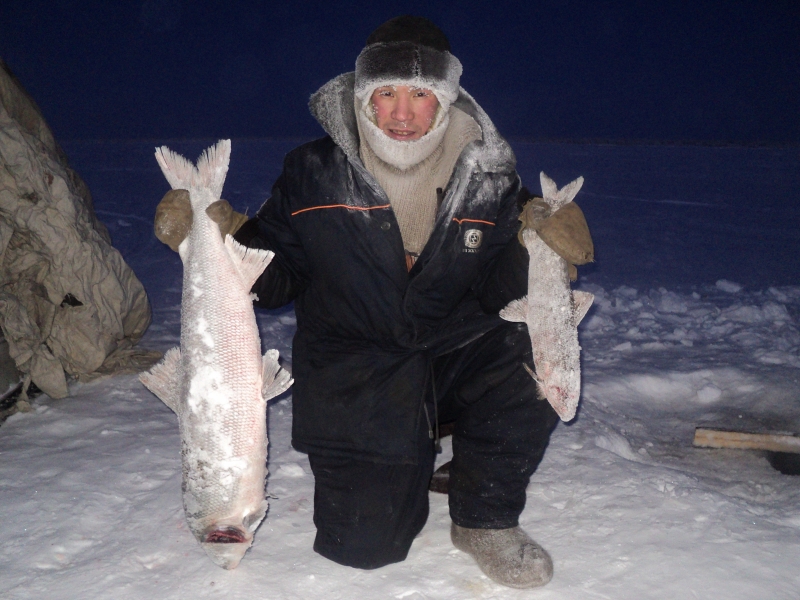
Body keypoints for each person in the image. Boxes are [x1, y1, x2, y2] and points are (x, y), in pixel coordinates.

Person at [154, 15, 593, 589]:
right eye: (386, 94)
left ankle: (485, 517)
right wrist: (218, 237)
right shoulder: (312, 172)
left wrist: (548, 255)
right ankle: (409, 448)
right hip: (356, 372)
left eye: (420, 95)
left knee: (524, 342)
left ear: (446, 100)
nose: (402, 114)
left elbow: (499, 291)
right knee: (363, 549)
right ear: (363, 99)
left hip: (452, 354)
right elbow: (278, 277)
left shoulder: (491, 176)